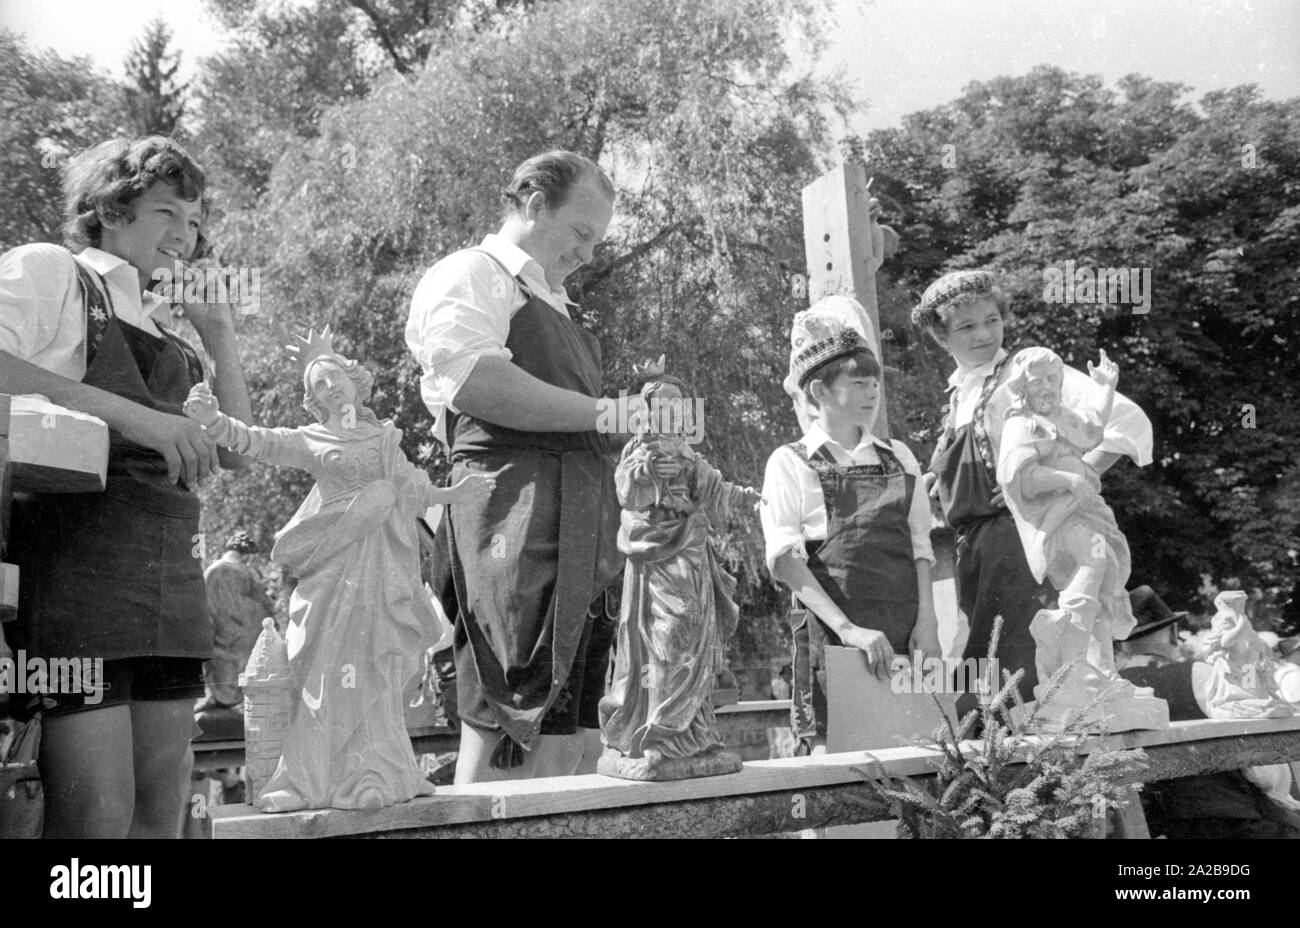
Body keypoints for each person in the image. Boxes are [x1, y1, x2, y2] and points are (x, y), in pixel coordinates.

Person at [0, 136, 253, 838]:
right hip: (73, 580)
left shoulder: (172, 329)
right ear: (110, 209)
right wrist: (137, 417)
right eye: (167, 212)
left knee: (160, 812)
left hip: (169, 588)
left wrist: (221, 335)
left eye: (196, 222)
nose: (186, 236)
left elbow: (238, 459)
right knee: (97, 816)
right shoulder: (56, 272)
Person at [183, 334, 494, 809]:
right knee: (323, 668)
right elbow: (256, 441)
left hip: (382, 573)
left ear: (356, 383)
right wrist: (213, 421)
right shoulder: (312, 440)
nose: (330, 387)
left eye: (335, 377)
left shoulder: (384, 439)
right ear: (312, 399)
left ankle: (380, 773)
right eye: (319, 382)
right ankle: (306, 780)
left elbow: (413, 487)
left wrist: (455, 495)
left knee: (373, 671)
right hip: (331, 572)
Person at [405, 151, 625, 782]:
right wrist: (610, 414)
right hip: (513, 528)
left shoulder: (553, 302)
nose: (587, 255)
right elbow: (476, 382)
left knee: (572, 747)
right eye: (581, 233)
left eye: (596, 242)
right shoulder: (472, 274)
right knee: (511, 737)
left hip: (581, 539)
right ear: (534, 204)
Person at [912, 270, 1152, 715]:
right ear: (940, 335)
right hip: (975, 555)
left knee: (1023, 677)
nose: (983, 334)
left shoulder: (1025, 373)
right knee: (983, 676)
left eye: (991, 320)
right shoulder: (959, 394)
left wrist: (1064, 488)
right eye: (966, 326)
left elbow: (1125, 423)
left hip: (1021, 546)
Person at [761, 309, 939, 752]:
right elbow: (785, 561)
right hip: (834, 639)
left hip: (907, 636)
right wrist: (848, 630)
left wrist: (929, 624)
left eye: (875, 384)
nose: (872, 393)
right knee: (839, 763)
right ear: (819, 390)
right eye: (858, 383)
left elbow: (921, 546)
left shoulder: (900, 456)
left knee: (920, 761)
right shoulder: (791, 461)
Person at [598, 371, 759, 772]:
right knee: (667, 640)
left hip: (691, 554)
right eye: (664, 404)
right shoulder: (639, 447)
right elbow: (625, 491)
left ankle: (694, 737)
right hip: (656, 556)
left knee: (694, 646)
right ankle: (654, 735)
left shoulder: (689, 453)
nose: (673, 411)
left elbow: (714, 490)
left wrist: (742, 498)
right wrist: (651, 474)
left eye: (679, 404)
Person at [1115, 606, 1300, 838]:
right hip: (1233, 820)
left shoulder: (1108, 688)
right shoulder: (1199, 673)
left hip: (1159, 825)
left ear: (1121, 643)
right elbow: (1263, 770)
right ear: (1172, 634)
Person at [198, 530, 274, 711]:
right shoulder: (246, 572)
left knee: (230, 674)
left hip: (226, 642)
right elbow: (264, 606)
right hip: (242, 641)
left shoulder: (214, 570)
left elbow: (206, 609)